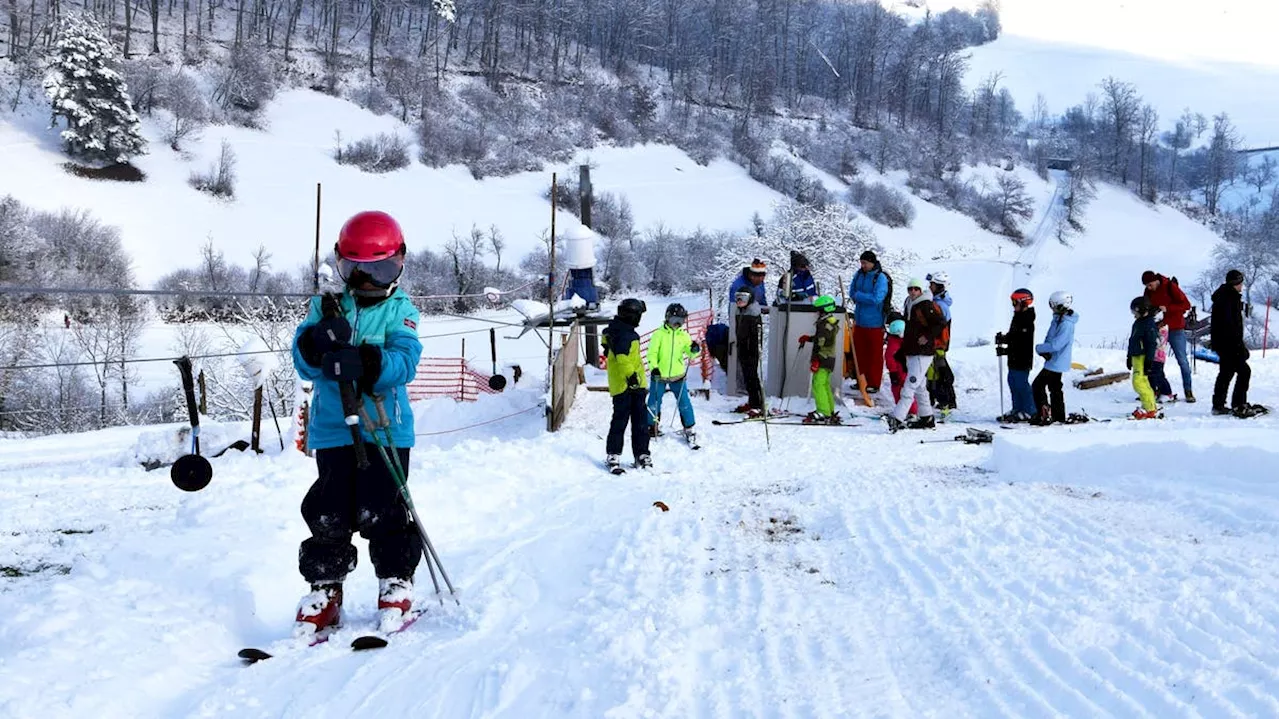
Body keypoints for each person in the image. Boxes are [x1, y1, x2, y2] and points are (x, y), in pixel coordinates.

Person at [290, 210, 424, 637]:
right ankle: (325, 589)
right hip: (333, 429)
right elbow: (303, 363)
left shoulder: (401, 310)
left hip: (385, 429)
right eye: (356, 271)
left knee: (383, 508)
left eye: (379, 270)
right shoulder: (325, 307)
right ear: (341, 265)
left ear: (399, 263)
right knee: (329, 510)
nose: (367, 282)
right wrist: (315, 344)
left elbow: (406, 361)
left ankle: (395, 580)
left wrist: (369, 360)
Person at [885, 278, 944, 432]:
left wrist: (927, 336)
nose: (912, 292)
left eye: (915, 289)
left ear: (920, 290)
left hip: (922, 352)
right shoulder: (909, 304)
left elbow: (940, 323)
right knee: (919, 386)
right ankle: (927, 417)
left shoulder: (925, 305)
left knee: (910, 385)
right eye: (910, 289)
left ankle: (898, 417)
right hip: (912, 350)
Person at [604, 298, 652, 472]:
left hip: (630, 385)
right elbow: (622, 358)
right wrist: (631, 376)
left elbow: (607, 341)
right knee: (622, 420)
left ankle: (641, 453)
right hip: (628, 385)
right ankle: (614, 454)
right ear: (633, 316)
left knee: (639, 421)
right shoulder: (626, 334)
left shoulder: (615, 330)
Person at [646, 303, 701, 446]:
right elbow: (652, 354)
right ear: (667, 318)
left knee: (684, 403)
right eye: (674, 320)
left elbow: (691, 354)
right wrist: (654, 368)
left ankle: (689, 427)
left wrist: (694, 349)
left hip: (678, 375)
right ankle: (651, 426)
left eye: (681, 321)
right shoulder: (659, 335)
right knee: (654, 401)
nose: (677, 324)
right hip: (660, 376)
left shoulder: (683, 335)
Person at [1210, 269, 1259, 417]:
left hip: (1223, 343)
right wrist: (1239, 347)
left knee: (1226, 372)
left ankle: (1218, 405)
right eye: (1240, 283)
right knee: (1244, 371)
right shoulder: (1228, 299)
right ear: (1235, 283)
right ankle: (1238, 404)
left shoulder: (1225, 296)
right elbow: (1230, 326)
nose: (1241, 286)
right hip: (1229, 344)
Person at [1142, 270, 1195, 402]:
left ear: (1155, 280)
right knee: (1156, 362)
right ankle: (1158, 389)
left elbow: (1186, 305)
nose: (1149, 288)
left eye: (1150, 285)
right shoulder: (1148, 292)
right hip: (1158, 329)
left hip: (1175, 328)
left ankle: (1188, 390)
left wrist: (1168, 308)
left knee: (1182, 360)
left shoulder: (1170, 286)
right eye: (1146, 286)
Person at [1031, 291, 1077, 425]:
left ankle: (1044, 413)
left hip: (1057, 361)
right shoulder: (1058, 318)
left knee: (1038, 385)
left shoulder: (1066, 324)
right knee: (1054, 387)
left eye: (1053, 305)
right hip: (1053, 359)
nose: (1052, 308)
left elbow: (1057, 344)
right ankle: (1058, 416)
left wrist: (1040, 348)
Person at [848, 250, 890, 392]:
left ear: (872, 263)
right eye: (861, 262)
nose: (863, 265)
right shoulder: (859, 274)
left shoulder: (880, 278)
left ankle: (874, 383)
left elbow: (877, 298)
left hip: (875, 322)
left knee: (874, 355)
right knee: (860, 353)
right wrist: (859, 296)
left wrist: (859, 296)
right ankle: (861, 380)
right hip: (859, 321)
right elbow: (851, 291)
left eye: (865, 263)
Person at [797, 294, 841, 424]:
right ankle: (829, 409)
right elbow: (821, 339)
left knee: (818, 384)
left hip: (823, 357)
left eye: (819, 310)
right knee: (825, 384)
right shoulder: (830, 322)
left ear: (824, 310)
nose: (817, 313)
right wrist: (809, 338)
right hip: (829, 357)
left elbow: (823, 343)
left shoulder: (824, 324)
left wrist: (817, 359)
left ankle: (823, 411)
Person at [996, 288, 1037, 422]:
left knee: (1021, 385)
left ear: (1024, 303)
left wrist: (1006, 350)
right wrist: (1003, 339)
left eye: (1015, 303)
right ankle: (1017, 408)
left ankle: (1029, 410)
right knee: (1012, 383)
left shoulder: (1027, 320)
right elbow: (1013, 337)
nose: (1013, 306)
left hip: (1022, 359)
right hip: (1014, 359)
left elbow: (1021, 344)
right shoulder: (1018, 317)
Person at [925, 271, 956, 415]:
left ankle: (946, 400)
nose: (929, 287)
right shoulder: (938, 302)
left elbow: (939, 327)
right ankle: (936, 398)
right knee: (935, 371)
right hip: (937, 343)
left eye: (932, 285)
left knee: (938, 372)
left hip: (938, 344)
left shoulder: (940, 305)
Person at [733, 288, 765, 417]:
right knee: (747, 376)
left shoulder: (753, 313)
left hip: (751, 349)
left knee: (752, 376)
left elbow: (756, 335)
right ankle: (752, 402)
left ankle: (758, 405)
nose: (739, 300)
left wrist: (756, 349)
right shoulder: (740, 311)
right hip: (742, 348)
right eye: (738, 297)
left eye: (743, 297)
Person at [1127, 296, 1160, 420]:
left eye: (1134, 312)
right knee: (1142, 382)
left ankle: (1150, 408)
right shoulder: (1139, 322)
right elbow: (1133, 340)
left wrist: (1149, 361)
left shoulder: (1149, 324)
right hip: (1136, 356)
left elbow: (1152, 344)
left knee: (1138, 382)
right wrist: (1129, 357)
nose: (1133, 315)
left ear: (1141, 310)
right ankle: (1148, 406)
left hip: (1143, 357)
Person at [883, 313, 912, 413]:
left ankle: (906, 410)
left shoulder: (893, 345)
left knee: (901, 392)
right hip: (904, 372)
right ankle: (908, 410)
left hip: (900, 373)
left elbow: (889, 359)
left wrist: (893, 372)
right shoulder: (905, 342)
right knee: (907, 392)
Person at [1149, 319, 1176, 401]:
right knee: (1150, 375)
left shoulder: (1163, 331)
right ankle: (1152, 391)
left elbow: (1159, 343)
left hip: (1158, 357)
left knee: (1159, 375)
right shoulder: (1152, 329)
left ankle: (1167, 392)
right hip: (1150, 356)